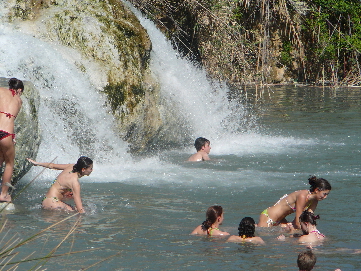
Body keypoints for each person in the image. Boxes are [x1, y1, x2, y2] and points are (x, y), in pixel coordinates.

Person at [258, 176, 331, 229]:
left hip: (280, 221)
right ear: (317, 190)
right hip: (268, 218)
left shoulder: (315, 200)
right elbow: (298, 222)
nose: (325, 197)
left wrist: (313, 230)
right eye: (324, 194)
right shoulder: (302, 196)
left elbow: (309, 218)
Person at [27, 156, 93, 213]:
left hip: (47, 200)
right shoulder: (75, 183)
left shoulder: (71, 166)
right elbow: (80, 209)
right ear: (83, 169)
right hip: (54, 203)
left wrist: (36, 163)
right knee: (76, 212)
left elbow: (52, 165)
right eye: (90, 168)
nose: (92, 170)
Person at [0, 78, 24, 202]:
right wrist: (13, 137)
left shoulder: (1, 91)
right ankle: (3, 194)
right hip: (6, 134)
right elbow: (11, 121)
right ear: (19, 90)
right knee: (9, 164)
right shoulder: (19, 101)